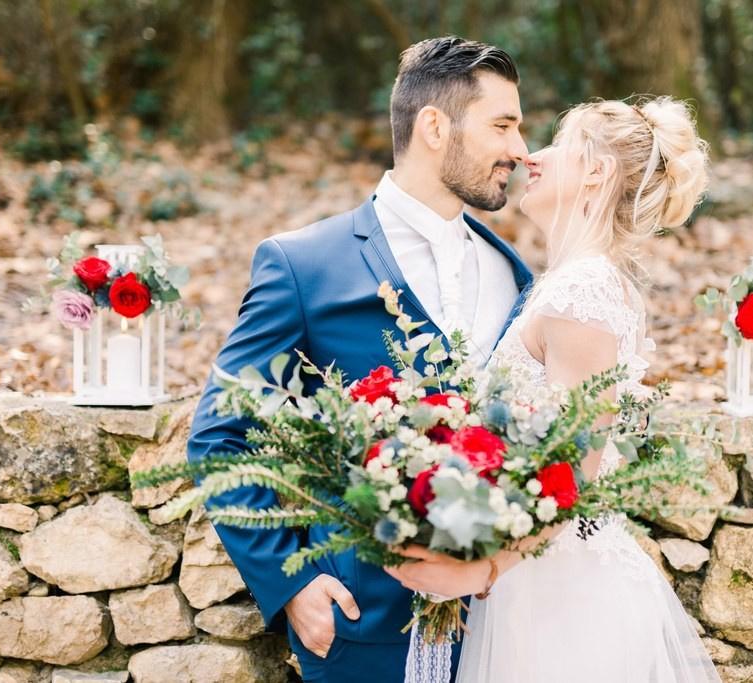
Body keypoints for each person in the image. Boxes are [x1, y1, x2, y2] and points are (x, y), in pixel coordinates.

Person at [186, 36, 533, 683]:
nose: (520, 148)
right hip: (360, 633)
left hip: (504, 633)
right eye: (503, 125)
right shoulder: (303, 265)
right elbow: (220, 434)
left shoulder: (515, 274)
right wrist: (291, 584)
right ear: (434, 126)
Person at [385, 97, 724, 682]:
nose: (529, 155)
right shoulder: (566, 284)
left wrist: (484, 571)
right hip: (541, 582)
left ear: (595, 170)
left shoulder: (585, 289)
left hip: (567, 602)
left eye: (557, 143)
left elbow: (579, 466)